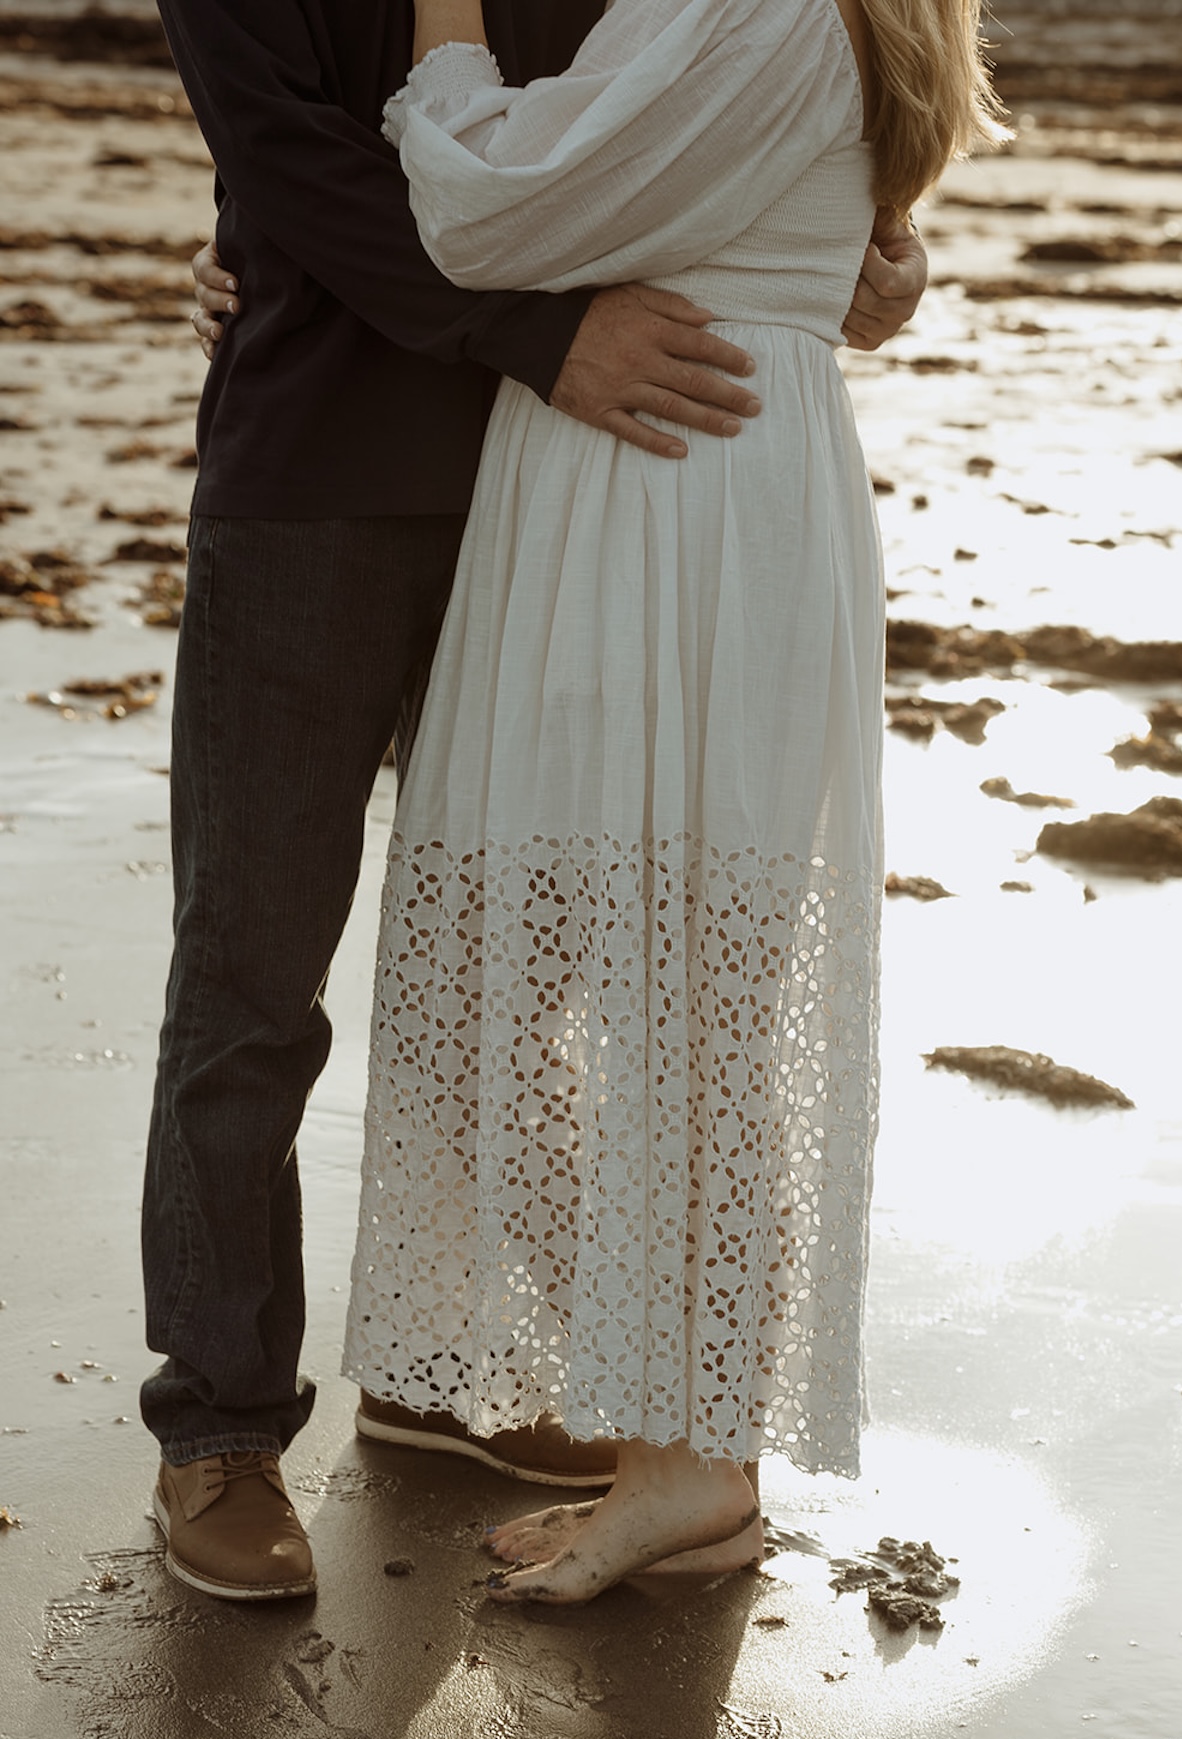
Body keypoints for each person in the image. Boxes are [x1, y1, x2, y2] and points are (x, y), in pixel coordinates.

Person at [147, 0, 928, 1603]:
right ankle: (219, 1426)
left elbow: (676, 104)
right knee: (251, 977)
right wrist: (531, 335)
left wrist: (869, 229)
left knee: (521, 973)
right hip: (330, 475)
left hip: (569, 490)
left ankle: (440, 1374)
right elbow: (291, 156)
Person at [341, 0, 1006, 1605]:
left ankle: (693, 1465)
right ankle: (675, 1438)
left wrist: (440, 36)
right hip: (671, 491)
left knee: (673, 1017)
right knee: (633, 1005)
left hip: (678, 505)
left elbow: (492, 211)